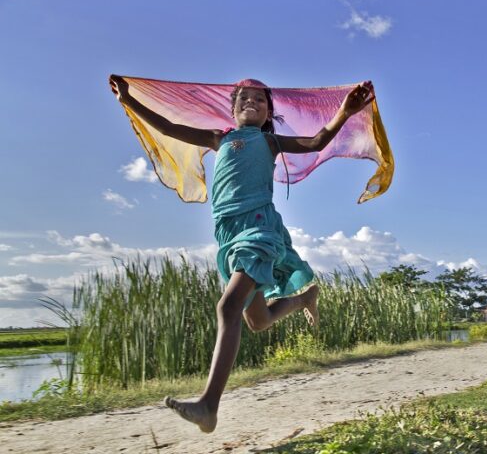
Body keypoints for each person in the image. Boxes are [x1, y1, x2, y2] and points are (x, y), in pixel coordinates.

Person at [110, 75, 375, 433]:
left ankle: (208, 406)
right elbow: (168, 126)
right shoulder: (218, 139)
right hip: (229, 234)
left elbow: (316, 141)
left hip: (259, 227)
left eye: (260, 100)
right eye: (244, 99)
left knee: (227, 307)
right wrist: (129, 100)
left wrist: (344, 111)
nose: (251, 102)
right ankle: (304, 298)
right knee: (258, 320)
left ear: (268, 113)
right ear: (232, 108)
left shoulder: (268, 141)